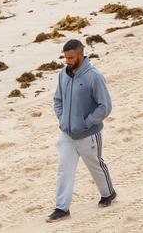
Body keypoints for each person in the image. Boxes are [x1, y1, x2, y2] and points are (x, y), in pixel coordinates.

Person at [47, 39, 116, 222]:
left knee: (95, 165)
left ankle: (108, 193)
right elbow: (57, 100)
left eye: (70, 57)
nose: (67, 61)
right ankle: (62, 208)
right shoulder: (63, 74)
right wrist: (62, 119)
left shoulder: (93, 76)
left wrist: (86, 123)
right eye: (65, 57)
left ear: (80, 54)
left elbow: (105, 106)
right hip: (67, 134)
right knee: (64, 169)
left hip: (88, 134)